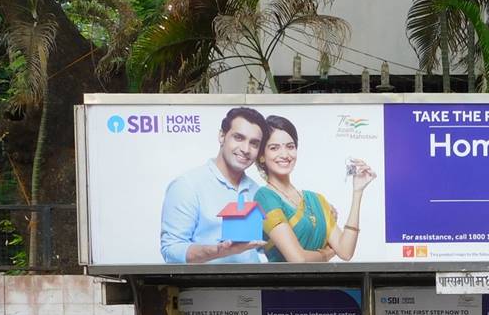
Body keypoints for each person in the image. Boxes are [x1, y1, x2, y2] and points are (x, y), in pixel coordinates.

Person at [254, 115, 377, 263]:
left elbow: (345, 251)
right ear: (261, 155)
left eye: (290, 146)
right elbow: (298, 259)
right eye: (274, 148)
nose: (285, 154)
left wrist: (357, 191)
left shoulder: (316, 199)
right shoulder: (265, 197)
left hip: (322, 282)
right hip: (285, 284)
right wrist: (327, 254)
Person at [159, 107, 270, 264]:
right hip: (205, 287)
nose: (245, 149)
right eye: (238, 138)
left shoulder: (258, 192)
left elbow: (261, 247)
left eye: (254, 143)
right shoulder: (187, 186)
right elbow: (171, 250)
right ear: (222, 136)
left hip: (254, 286)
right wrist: (218, 251)